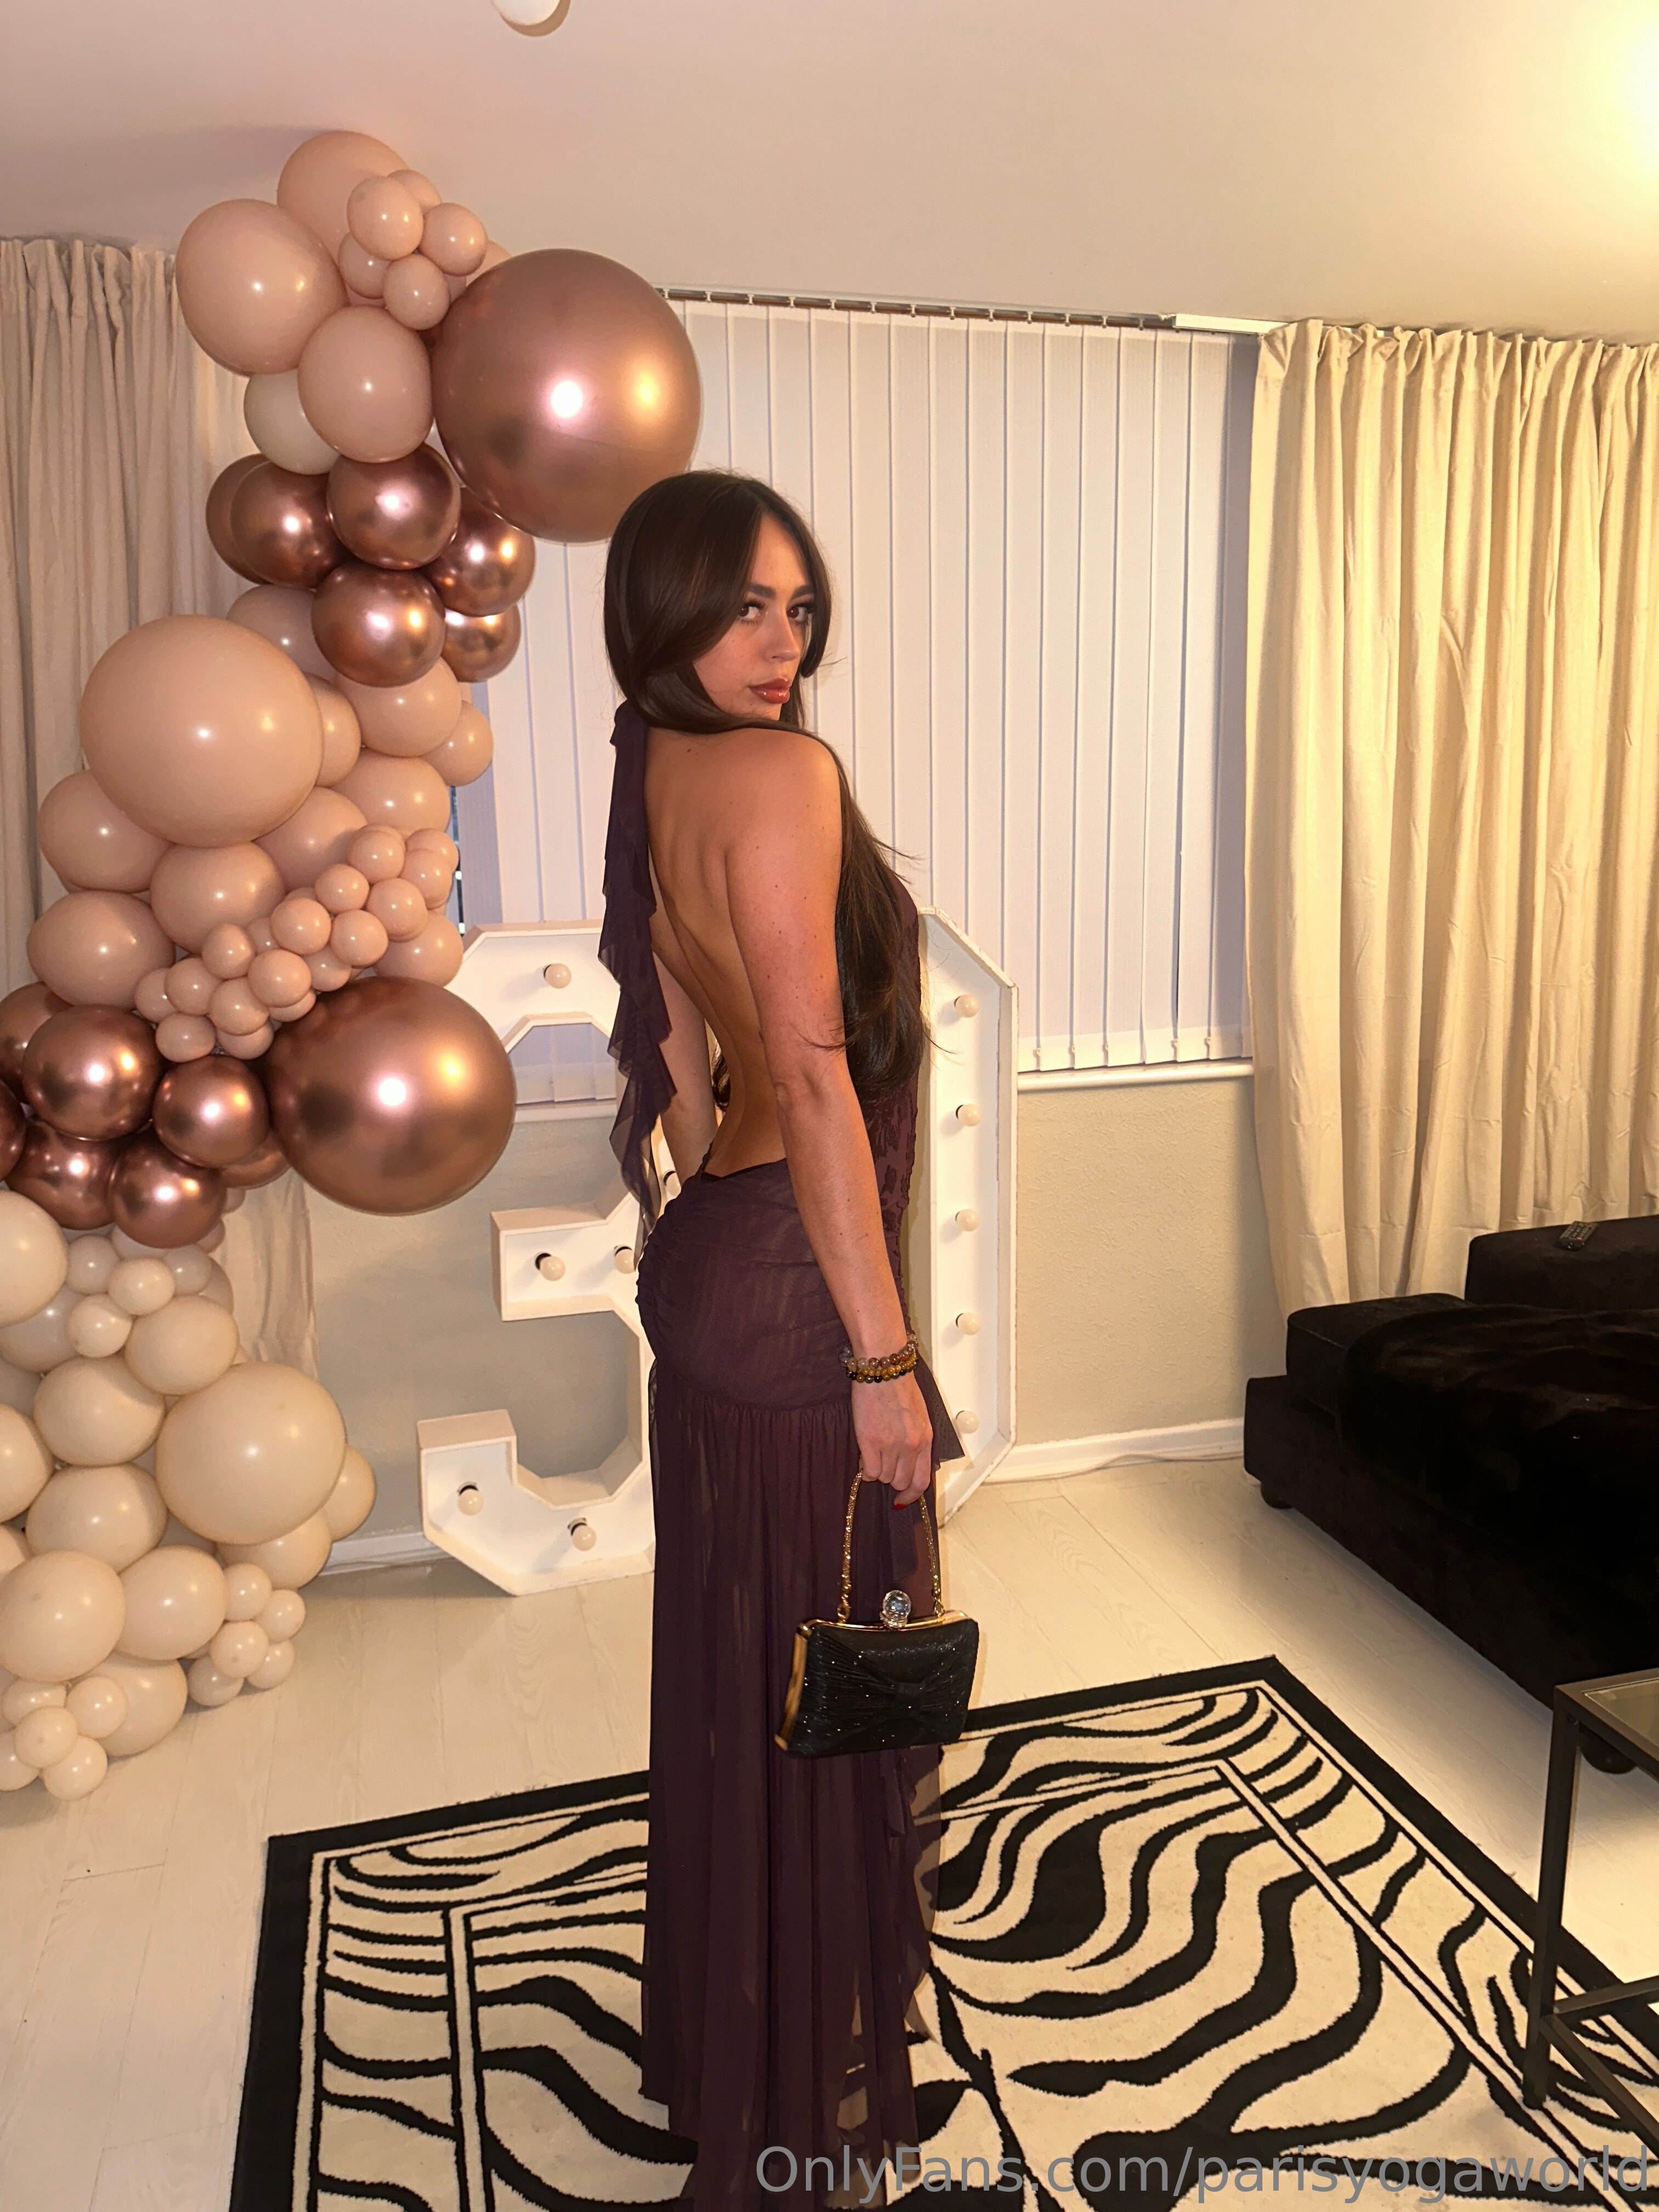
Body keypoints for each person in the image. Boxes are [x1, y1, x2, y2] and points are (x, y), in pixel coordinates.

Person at [598, 469, 963, 2209]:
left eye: (800, 608)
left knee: (744, 1671)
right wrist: (883, 1366)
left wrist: (713, 1231)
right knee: (831, 1673)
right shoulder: (782, 775)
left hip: (714, 1269)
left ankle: (737, 2032)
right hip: (799, 1303)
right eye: (747, 604)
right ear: (666, 604)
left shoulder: (652, 765)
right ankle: (799, 2097)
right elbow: (811, 1076)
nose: (783, 642)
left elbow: (677, 1045)